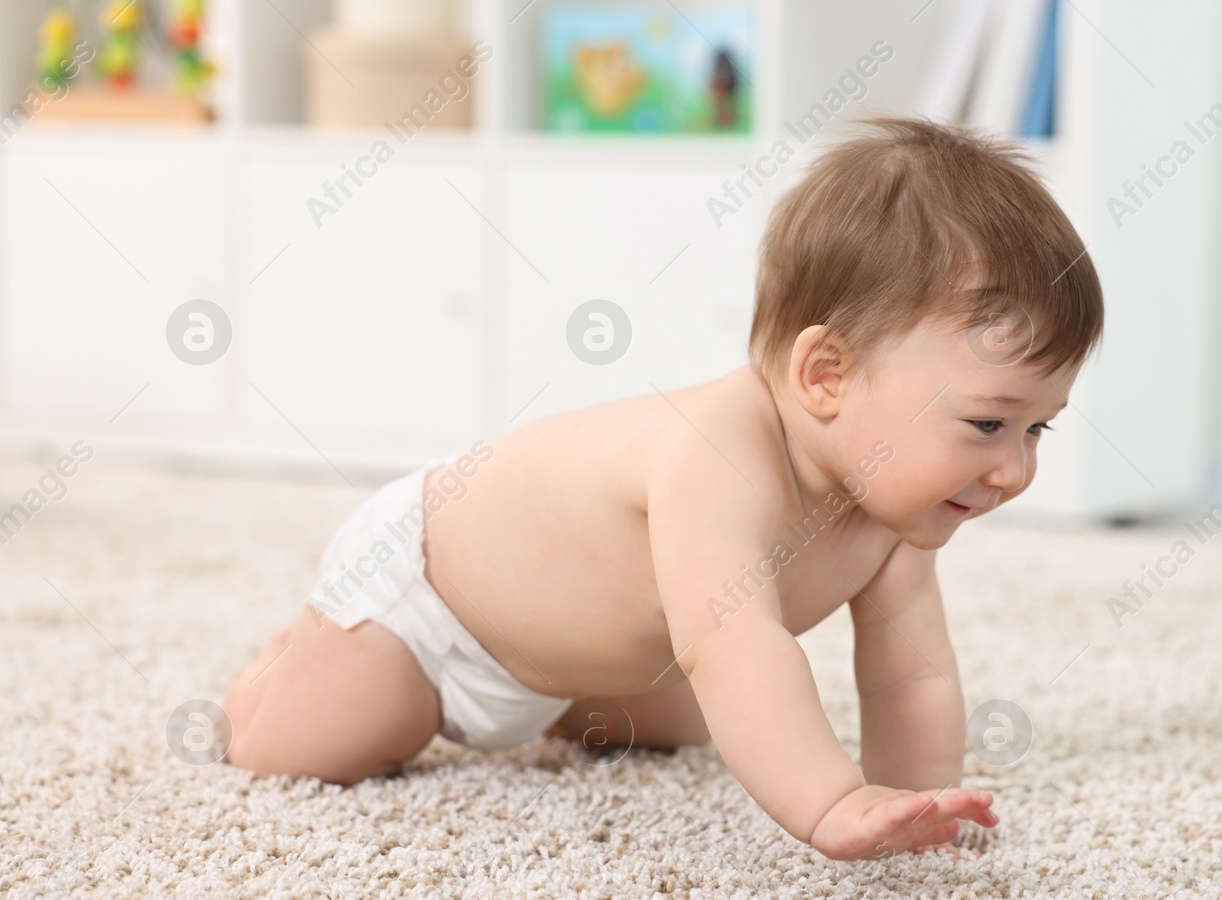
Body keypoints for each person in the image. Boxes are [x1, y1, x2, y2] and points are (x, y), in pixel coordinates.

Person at [224, 117, 1104, 861]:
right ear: (826, 374)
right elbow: (738, 647)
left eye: (1038, 428)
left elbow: (910, 674)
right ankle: (289, 665)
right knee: (317, 746)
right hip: (426, 601)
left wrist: (914, 806)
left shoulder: (888, 513)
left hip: (568, 659)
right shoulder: (713, 456)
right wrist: (834, 803)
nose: (1015, 469)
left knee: (687, 723)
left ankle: (564, 703)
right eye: (988, 425)